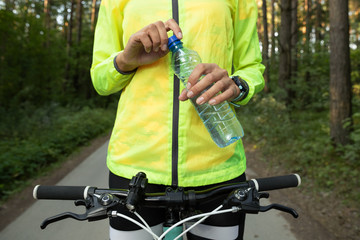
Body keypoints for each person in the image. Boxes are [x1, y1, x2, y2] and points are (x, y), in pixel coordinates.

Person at [90, 0, 264, 239]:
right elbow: (100, 80)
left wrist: (238, 85)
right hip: (134, 165)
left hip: (216, 166)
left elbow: (252, 67)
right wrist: (125, 61)